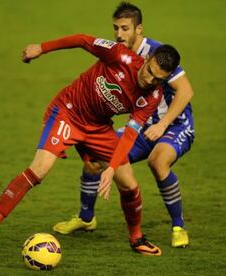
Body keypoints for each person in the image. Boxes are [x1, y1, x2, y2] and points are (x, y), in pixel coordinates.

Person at [0, 33, 181, 256]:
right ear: (148, 58)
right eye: (150, 72)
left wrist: (111, 168)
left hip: (99, 128)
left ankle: (136, 238)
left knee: (129, 185)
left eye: (158, 79)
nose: (149, 80)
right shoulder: (120, 55)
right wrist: (42, 48)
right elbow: (82, 40)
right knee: (40, 169)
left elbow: (130, 134)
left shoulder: (152, 96)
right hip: (68, 112)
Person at [53, 2, 194, 248]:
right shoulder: (120, 52)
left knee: (158, 161)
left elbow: (186, 91)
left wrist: (163, 125)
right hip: (142, 126)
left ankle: (178, 226)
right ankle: (86, 218)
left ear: (139, 30)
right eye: (116, 28)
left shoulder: (158, 54)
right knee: (97, 160)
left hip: (175, 125)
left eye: (125, 29)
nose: (119, 35)